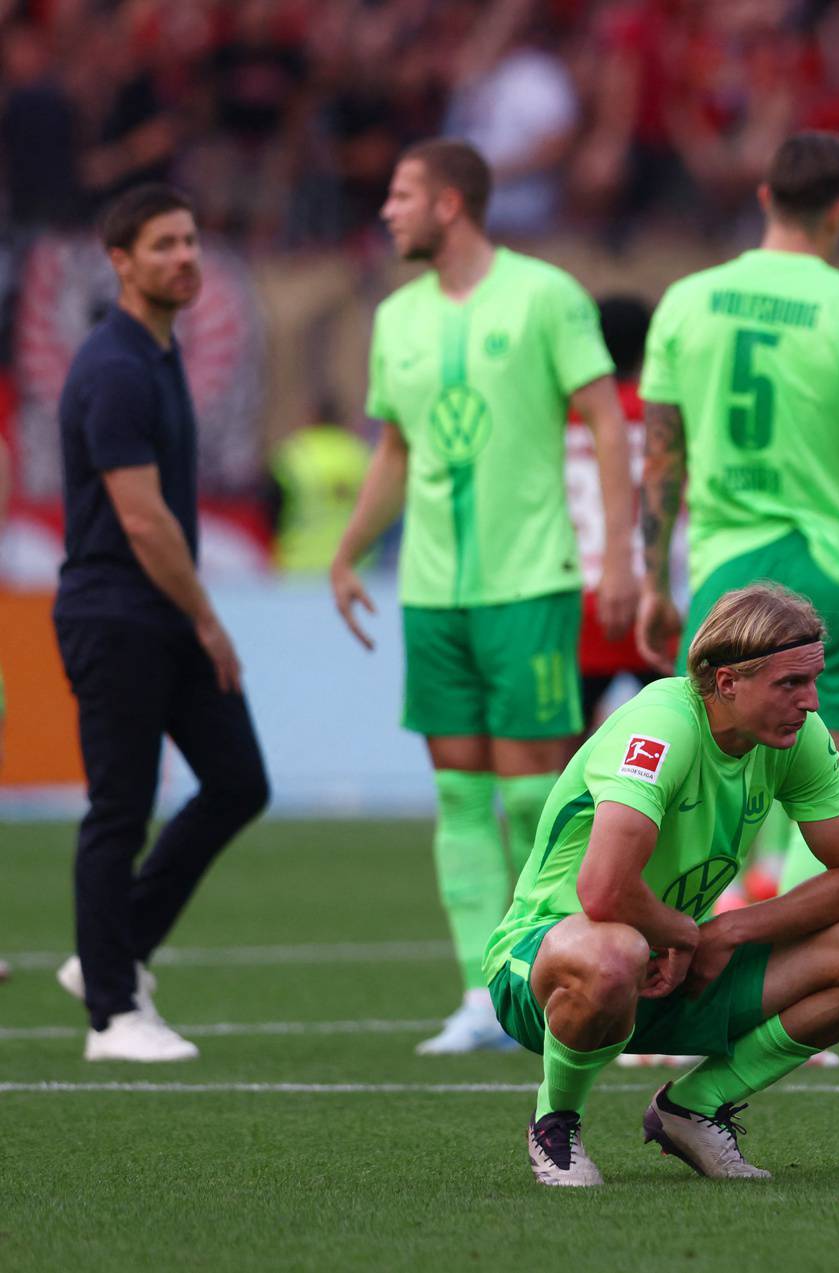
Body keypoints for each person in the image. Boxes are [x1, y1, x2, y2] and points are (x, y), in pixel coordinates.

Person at [330, 139, 637, 1055]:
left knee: (532, 791)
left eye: (401, 193)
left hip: (529, 584)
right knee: (460, 793)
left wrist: (617, 555)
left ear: (452, 204)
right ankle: (478, 994)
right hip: (432, 593)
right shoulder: (397, 319)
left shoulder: (545, 295)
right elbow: (396, 448)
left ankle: (555, 969)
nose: (388, 210)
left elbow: (608, 425)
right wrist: (350, 550)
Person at [484, 583, 839, 1187]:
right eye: (790, 685)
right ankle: (554, 1120)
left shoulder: (796, 738)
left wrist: (728, 931)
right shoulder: (661, 725)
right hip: (544, 966)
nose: (811, 701)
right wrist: (687, 934)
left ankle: (693, 1108)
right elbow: (604, 892)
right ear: (726, 683)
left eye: (814, 679)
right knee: (615, 950)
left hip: (674, 963)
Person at [636, 130, 839, 905]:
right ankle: (780, 1007)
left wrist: (650, 583)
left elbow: (661, 458)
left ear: (766, 197)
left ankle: (678, 985)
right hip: (828, 570)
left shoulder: (685, 302)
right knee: (822, 792)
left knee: (702, 787)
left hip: (726, 570)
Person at [50, 184, 270, 1060]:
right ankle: (112, 1013)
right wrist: (208, 618)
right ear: (120, 262)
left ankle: (112, 949)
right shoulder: (112, 366)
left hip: (160, 612)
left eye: (190, 241)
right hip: (117, 613)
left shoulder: (158, 352)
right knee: (120, 807)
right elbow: (141, 518)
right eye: (163, 245)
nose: (185, 257)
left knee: (237, 781)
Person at [568, 295, 656, 733]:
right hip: (655, 598)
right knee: (686, 742)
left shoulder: (568, 412)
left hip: (579, 598)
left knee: (563, 759)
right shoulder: (665, 411)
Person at [264, 398, 373, 576]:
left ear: (311, 418)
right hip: (355, 567)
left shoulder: (293, 456)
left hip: (300, 567)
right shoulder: (361, 455)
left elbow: (271, 508)